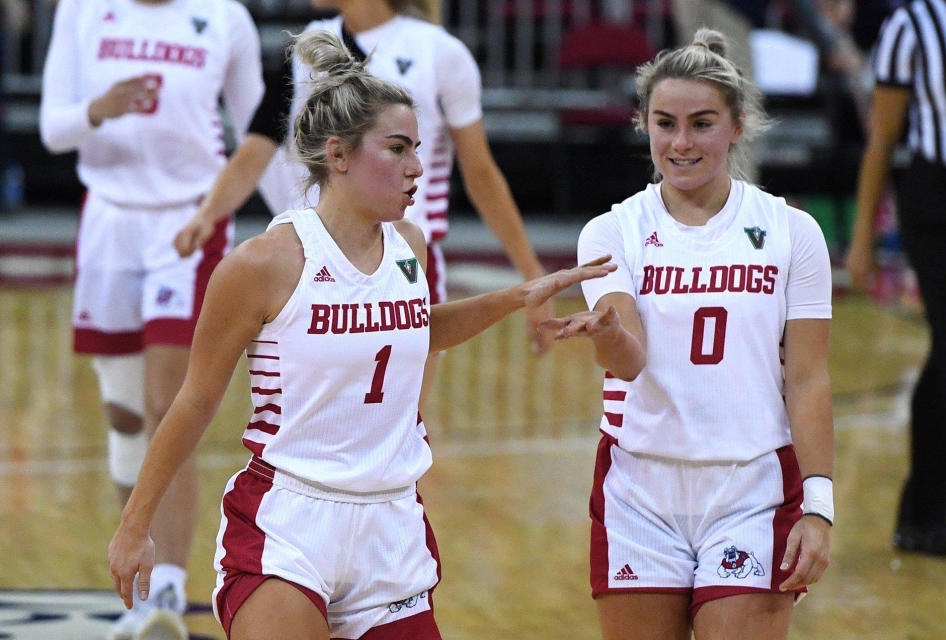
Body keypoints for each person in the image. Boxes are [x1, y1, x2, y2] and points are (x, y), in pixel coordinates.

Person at [107, 30, 615, 640]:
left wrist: (515, 297)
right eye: (398, 149)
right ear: (338, 154)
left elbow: (419, 330)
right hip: (288, 522)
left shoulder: (410, 247)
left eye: (418, 150)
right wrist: (136, 525)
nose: (418, 168)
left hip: (391, 523)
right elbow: (193, 401)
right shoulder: (262, 264)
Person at [541, 28, 835, 640]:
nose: (680, 142)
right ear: (642, 124)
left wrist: (819, 507)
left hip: (753, 487)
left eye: (702, 123)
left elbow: (808, 379)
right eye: (664, 123)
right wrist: (607, 331)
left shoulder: (792, 232)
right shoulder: (611, 231)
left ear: (737, 124)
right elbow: (629, 361)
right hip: (638, 490)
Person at [172, 0, 555, 407]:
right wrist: (208, 214)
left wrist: (533, 275)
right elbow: (256, 147)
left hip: (404, 261)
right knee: (308, 419)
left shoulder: (440, 52)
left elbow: (481, 175)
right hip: (312, 262)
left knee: (399, 425)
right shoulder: (307, 47)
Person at [38, 0, 263, 637]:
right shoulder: (82, 10)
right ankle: (139, 577)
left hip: (187, 223)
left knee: (170, 403)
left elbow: (261, 139)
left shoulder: (224, 18)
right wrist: (98, 109)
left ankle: (166, 589)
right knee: (124, 413)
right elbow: (54, 130)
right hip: (109, 220)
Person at [846, 0, 946, 557]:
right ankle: (925, 512)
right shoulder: (909, 25)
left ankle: (923, 515)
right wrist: (863, 240)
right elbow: (881, 140)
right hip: (938, 206)